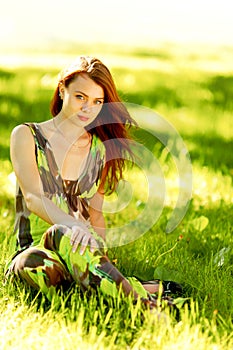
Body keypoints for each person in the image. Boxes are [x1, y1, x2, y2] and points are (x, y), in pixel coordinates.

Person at [5, 56, 181, 308]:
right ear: (62, 89)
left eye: (97, 102)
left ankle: (138, 305)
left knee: (73, 251)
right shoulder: (26, 135)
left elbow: (96, 216)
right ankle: (130, 289)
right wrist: (73, 226)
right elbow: (33, 198)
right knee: (37, 262)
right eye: (80, 97)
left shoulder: (99, 149)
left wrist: (98, 255)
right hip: (35, 251)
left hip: (77, 250)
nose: (88, 108)